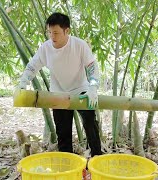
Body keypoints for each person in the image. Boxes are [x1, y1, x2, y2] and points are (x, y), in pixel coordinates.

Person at [19, 12, 102, 157]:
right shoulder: (45, 48)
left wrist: (93, 86)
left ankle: (97, 159)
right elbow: (32, 67)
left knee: (91, 125)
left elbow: (92, 68)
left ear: (67, 31)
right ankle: (67, 165)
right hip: (58, 93)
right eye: (49, 32)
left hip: (82, 90)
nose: (52, 36)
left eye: (56, 32)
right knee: (63, 133)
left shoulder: (79, 45)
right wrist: (23, 83)